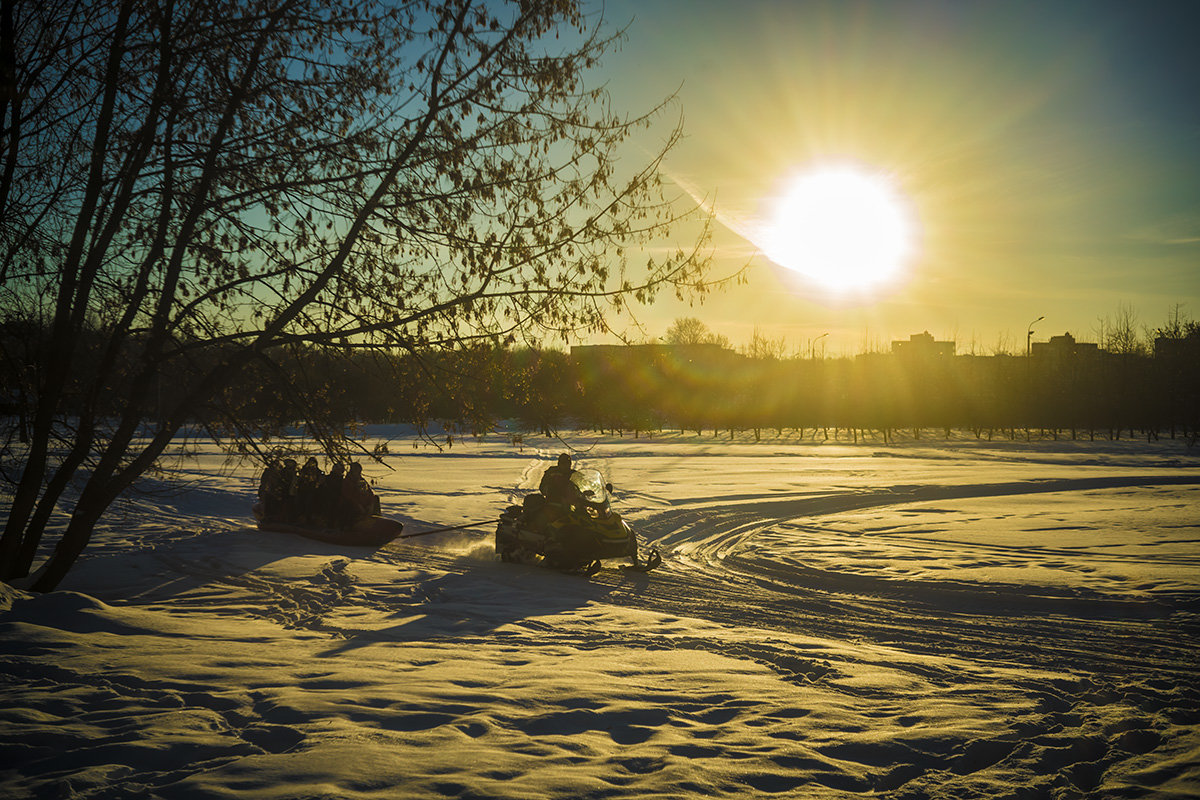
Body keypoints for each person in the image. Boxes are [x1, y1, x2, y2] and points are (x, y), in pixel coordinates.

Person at [339, 461, 377, 528]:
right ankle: (349, 526)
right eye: (356, 470)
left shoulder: (362, 480)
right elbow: (348, 495)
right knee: (349, 505)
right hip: (352, 504)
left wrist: (371, 503)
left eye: (359, 470)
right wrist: (358, 504)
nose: (358, 472)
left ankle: (375, 520)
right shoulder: (347, 481)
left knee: (376, 498)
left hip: (363, 502)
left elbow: (370, 492)